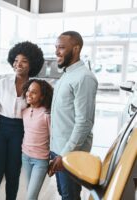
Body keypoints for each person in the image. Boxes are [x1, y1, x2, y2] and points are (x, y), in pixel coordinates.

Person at [0, 41, 44, 200]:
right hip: (0, 130)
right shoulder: (2, 84)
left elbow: (38, 114)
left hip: (20, 132)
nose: (19, 64)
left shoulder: (34, 88)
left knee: (13, 174)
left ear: (32, 64)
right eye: (16, 61)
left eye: (24, 61)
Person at [49, 31, 98, 200]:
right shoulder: (67, 75)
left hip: (70, 153)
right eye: (56, 47)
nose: (56, 52)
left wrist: (64, 155)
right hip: (58, 150)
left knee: (70, 196)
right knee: (65, 194)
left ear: (76, 49)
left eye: (61, 47)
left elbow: (84, 123)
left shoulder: (84, 77)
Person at [21, 79, 53, 200]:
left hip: (40, 160)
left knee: (30, 197)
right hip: (25, 157)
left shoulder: (46, 114)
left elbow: (53, 138)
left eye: (34, 92)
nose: (29, 94)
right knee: (30, 192)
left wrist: (52, 160)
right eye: (28, 91)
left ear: (42, 96)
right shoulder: (24, 111)